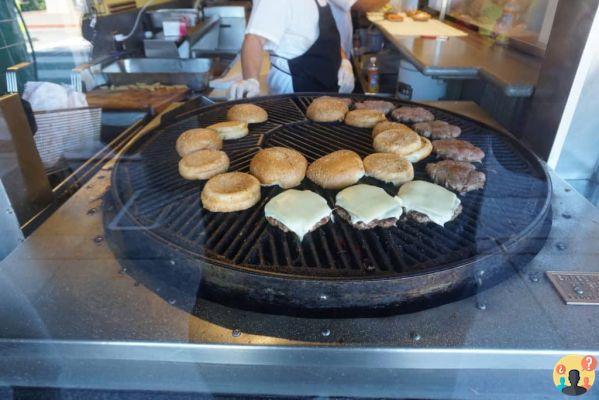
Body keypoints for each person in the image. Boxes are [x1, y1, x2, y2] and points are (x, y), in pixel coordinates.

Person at [229, 0, 355, 100]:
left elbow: (330, 37)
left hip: (325, 87)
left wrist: (344, 61)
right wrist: (251, 80)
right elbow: (254, 39)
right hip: (294, 90)